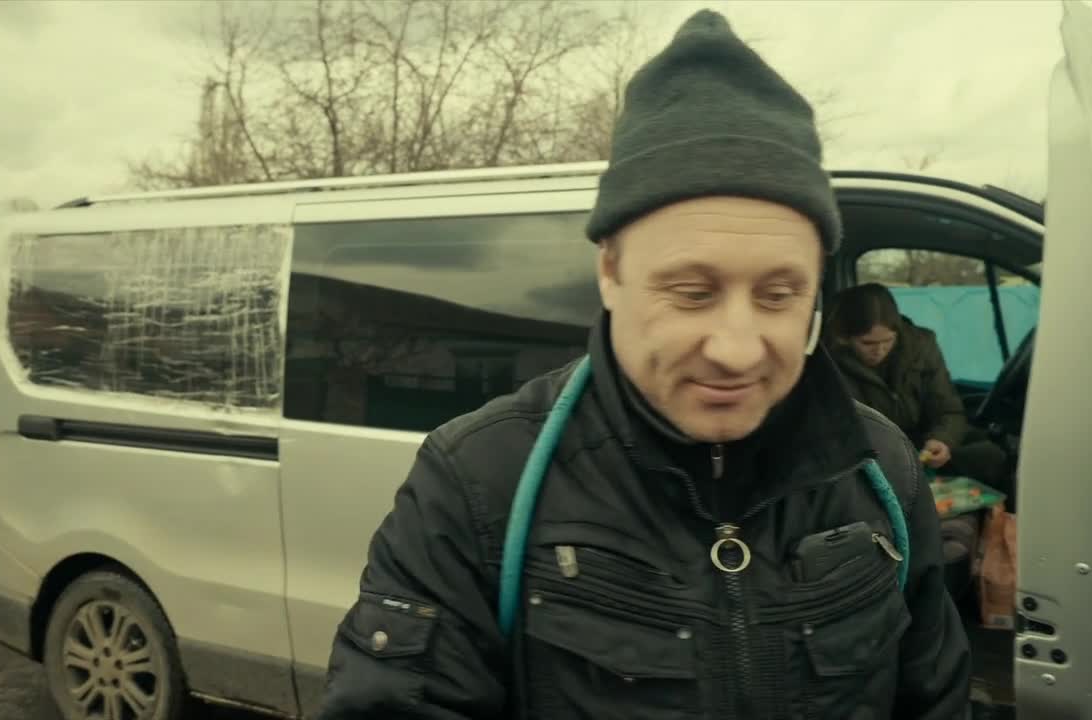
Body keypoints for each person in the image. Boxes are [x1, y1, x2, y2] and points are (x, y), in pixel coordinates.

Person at [317, 10, 971, 719]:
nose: (736, 348)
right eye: (692, 293)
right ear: (610, 271)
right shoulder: (477, 485)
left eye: (779, 295)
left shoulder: (881, 470)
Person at [825, 282, 1011, 497]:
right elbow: (836, 435)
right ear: (845, 338)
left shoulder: (922, 347)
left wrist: (942, 440)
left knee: (993, 454)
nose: (880, 350)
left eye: (888, 340)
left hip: (923, 449)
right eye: (868, 343)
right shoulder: (828, 362)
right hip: (871, 459)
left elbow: (948, 409)